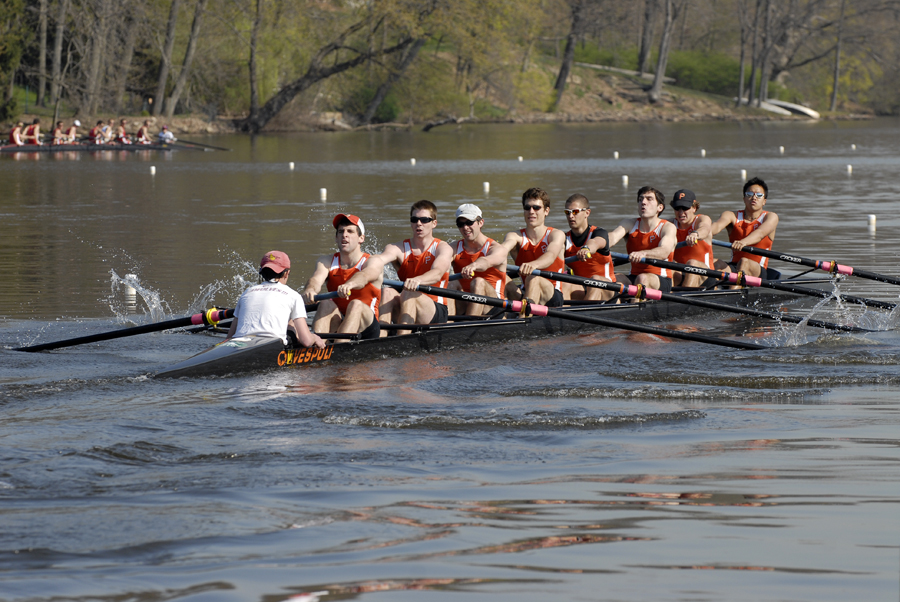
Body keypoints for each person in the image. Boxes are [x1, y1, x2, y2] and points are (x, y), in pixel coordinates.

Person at [303, 214, 384, 340]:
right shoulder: (326, 261)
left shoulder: (374, 261)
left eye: (350, 231)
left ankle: (339, 346)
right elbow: (315, 279)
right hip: (340, 320)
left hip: (367, 326)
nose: (344, 235)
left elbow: (364, 276)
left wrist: (349, 285)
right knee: (325, 303)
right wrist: (310, 290)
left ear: (361, 238)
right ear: (336, 238)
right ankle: (317, 348)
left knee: (356, 304)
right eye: (341, 231)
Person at [377, 200, 452, 334]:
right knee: (387, 291)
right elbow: (379, 260)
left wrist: (418, 280)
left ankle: (401, 341)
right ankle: (379, 340)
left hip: (435, 311)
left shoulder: (442, 248)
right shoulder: (397, 248)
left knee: (408, 293)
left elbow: (437, 272)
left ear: (434, 223)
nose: (419, 224)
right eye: (415, 219)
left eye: (424, 220)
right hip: (407, 303)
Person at [225, 250, 325, 349]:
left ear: (262, 272)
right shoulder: (293, 295)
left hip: (239, 345)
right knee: (292, 324)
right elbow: (307, 342)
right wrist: (314, 337)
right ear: (287, 273)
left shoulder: (247, 292)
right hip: (272, 347)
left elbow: (229, 337)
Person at [501, 187, 567, 307]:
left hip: (552, 296)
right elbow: (501, 250)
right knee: (500, 276)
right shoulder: (515, 236)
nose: (531, 211)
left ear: (546, 211)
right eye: (527, 208)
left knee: (534, 276)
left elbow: (551, 255)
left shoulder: (556, 235)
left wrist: (534, 265)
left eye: (536, 207)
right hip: (525, 292)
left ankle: (522, 319)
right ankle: (494, 318)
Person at [608, 186, 677, 293]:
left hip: (661, 279)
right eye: (640, 199)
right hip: (634, 277)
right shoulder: (629, 224)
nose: (643, 202)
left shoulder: (667, 227)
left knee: (643, 278)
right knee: (611, 280)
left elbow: (664, 251)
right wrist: (594, 244)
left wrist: (643, 253)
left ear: (660, 207)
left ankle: (635, 308)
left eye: (649, 199)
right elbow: (612, 238)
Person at [711, 177, 779, 279]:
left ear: (764, 201)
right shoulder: (731, 215)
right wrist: (699, 233)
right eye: (750, 194)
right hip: (734, 266)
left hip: (758, 269)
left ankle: (733, 291)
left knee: (744, 262)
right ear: (744, 199)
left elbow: (760, 233)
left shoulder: (770, 217)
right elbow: (716, 227)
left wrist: (743, 242)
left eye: (759, 195)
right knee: (714, 262)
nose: (754, 198)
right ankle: (711, 292)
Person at [448, 203, 508, 315]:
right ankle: (447, 324)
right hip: (465, 303)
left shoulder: (496, 248)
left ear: (481, 223)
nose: (465, 227)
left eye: (469, 223)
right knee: (451, 283)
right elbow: (439, 264)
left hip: (494, 308)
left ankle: (467, 324)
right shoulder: (454, 247)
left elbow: (485, 262)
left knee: (478, 281)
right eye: (460, 224)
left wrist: (473, 265)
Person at [562, 193, 616, 302]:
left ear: (587, 213)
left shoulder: (599, 233)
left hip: (608, 289)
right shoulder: (564, 239)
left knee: (595, 280)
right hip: (581, 288)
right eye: (567, 212)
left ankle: (583, 314)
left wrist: (586, 248)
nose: (571, 216)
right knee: (565, 283)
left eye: (575, 212)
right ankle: (560, 314)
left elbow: (596, 242)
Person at [670, 189, 715, 288]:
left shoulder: (701, 219)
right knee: (668, 266)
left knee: (692, 263)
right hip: (682, 275)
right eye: (677, 208)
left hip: (706, 277)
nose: (681, 212)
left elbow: (705, 228)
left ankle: (684, 298)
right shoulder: (670, 225)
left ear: (694, 208)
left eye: (685, 208)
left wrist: (695, 234)